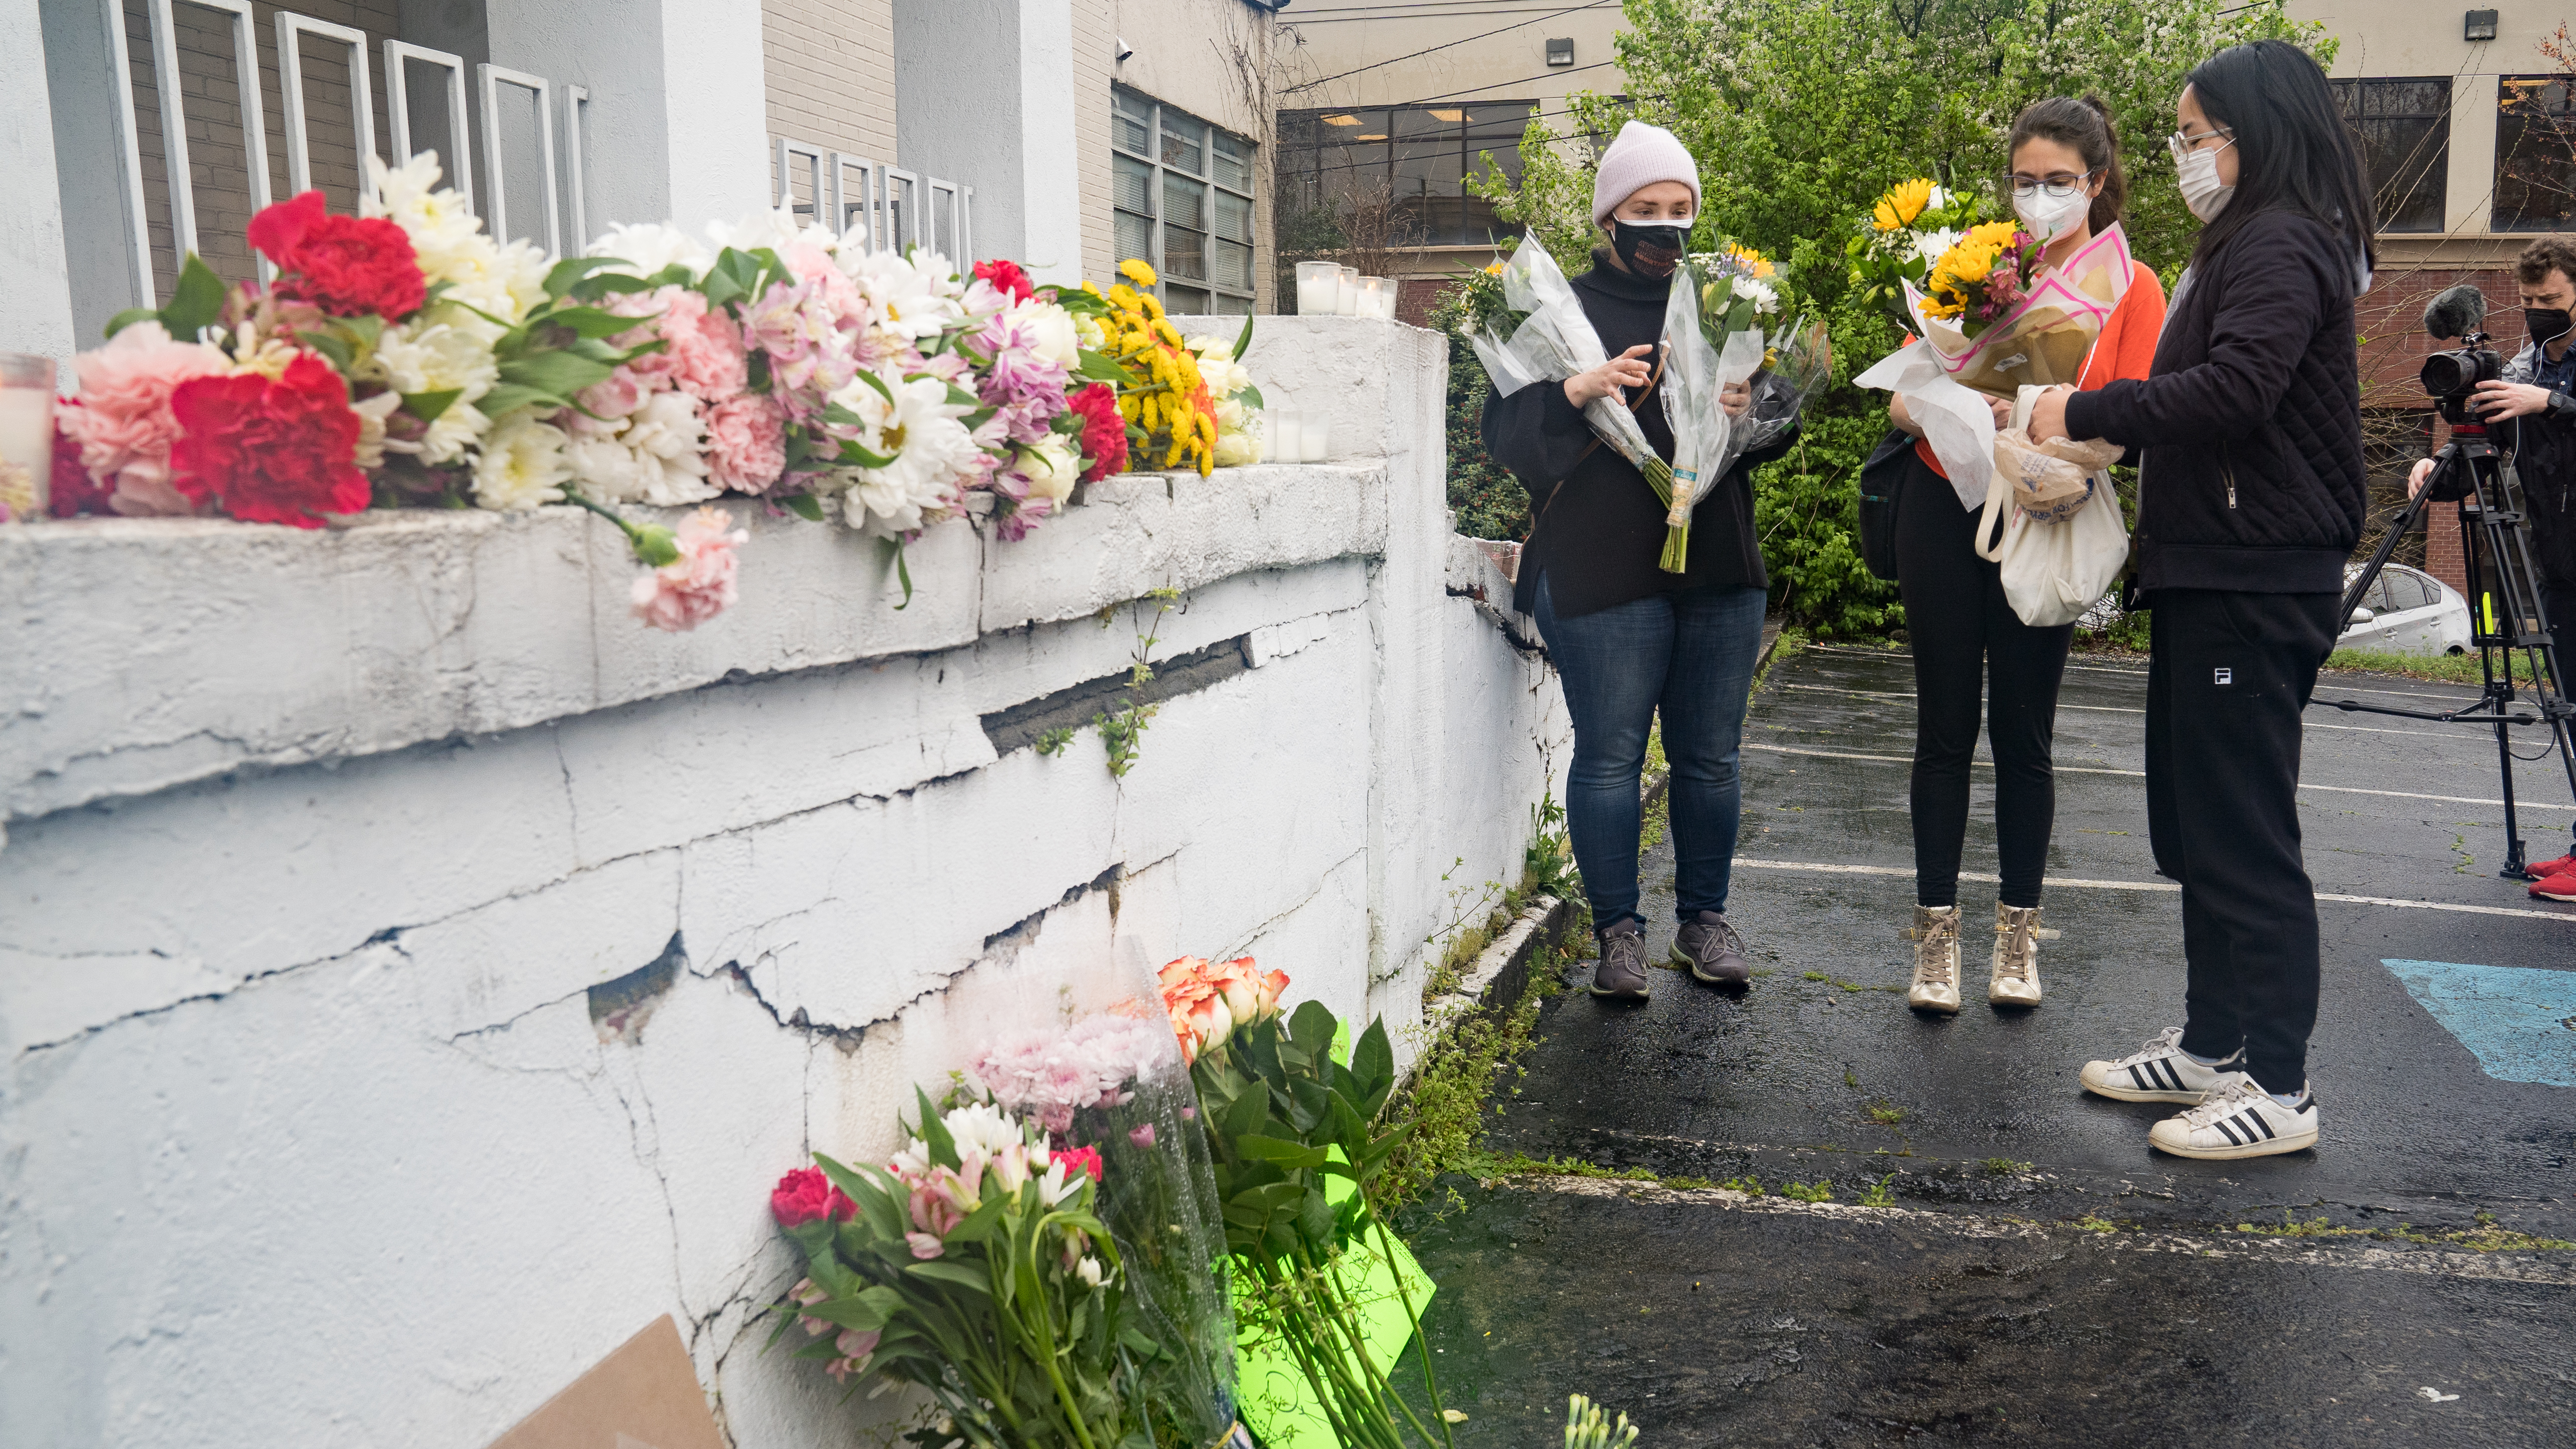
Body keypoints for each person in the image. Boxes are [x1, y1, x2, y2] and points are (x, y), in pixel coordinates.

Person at [2027, 40, 2373, 1160]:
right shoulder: (2250, 239)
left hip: (2252, 577)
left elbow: (2236, 390)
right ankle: (2216, 1042)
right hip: (2210, 569)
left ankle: (2281, 1081)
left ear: (2253, 132)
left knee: (2241, 830)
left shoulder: (2279, 240)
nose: (2182, 155)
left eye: (2193, 136)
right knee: (2195, 821)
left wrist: (2087, 412)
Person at [1481, 120, 1791, 1000]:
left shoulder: (1729, 301)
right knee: (1612, 755)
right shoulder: (1551, 311)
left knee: (1710, 757)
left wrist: (1757, 401)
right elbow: (1502, 432)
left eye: (1681, 209)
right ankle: (1618, 934)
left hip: (1717, 562)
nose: (1666, 226)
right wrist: (1576, 389)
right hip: (1602, 562)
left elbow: (1778, 425)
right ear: (1608, 218)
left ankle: (1705, 919)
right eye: (1646, 209)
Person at [1883, 96, 2168, 1015]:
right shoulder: (1972, 265)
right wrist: (1966, 400)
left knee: (2025, 736)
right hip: (1943, 501)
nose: (2040, 196)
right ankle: (1935, 945)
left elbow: (2131, 419)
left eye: (2061, 181)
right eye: (2026, 179)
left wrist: (2037, 425)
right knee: (1941, 732)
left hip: (2043, 509)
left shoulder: (2133, 284)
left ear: (2098, 182)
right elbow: (1899, 402)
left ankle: (2017, 940)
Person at [2406, 236, 2576, 901]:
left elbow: (2546, 416)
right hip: (2557, 560)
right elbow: (2494, 452)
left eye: (2552, 300)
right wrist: (2439, 470)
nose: (2538, 311)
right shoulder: (2528, 363)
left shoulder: (2544, 382)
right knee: (2570, 706)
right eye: (2530, 300)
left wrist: (2551, 405)